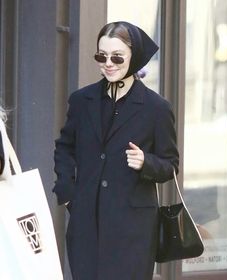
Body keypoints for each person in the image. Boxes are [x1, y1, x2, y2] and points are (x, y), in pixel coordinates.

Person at [53, 21, 179, 280]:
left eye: (117, 57)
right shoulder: (81, 101)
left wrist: (146, 162)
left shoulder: (156, 108)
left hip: (133, 231)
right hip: (86, 224)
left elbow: (170, 164)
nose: (108, 63)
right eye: (102, 56)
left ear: (135, 58)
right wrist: (67, 193)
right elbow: (65, 148)